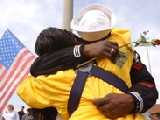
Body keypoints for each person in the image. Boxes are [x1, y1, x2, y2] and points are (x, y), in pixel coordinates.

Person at [17, 4, 158, 120]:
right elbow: (38, 66)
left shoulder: (125, 50)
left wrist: (132, 100)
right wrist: (83, 51)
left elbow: (147, 84)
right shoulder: (73, 55)